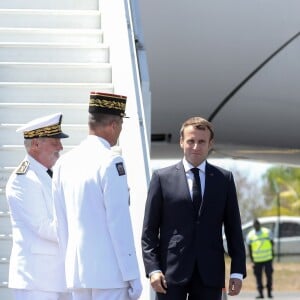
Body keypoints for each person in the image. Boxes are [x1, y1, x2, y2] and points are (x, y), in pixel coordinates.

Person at [141, 116, 247, 300]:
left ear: (210, 143)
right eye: (191, 141)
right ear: (181, 141)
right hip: (170, 274)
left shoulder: (224, 180)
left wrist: (237, 271)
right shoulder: (161, 178)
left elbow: (234, 230)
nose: (196, 147)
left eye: (201, 141)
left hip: (210, 273)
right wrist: (153, 269)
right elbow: (149, 231)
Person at [52, 92, 142, 300]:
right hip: (111, 275)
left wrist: (70, 268)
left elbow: (61, 224)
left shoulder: (64, 163)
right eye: (120, 125)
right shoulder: (111, 161)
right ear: (113, 125)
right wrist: (132, 275)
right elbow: (119, 223)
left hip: (78, 274)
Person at [5, 113, 71, 300]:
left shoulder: (51, 174)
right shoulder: (23, 179)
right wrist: (81, 228)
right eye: (54, 141)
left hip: (56, 278)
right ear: (35, 144)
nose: (61, 147)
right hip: (36, 281)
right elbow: (43, 226)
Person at [246, 219, 274, 299]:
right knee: (258, 277)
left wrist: (272, 255)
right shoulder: (250, 235)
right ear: (253, 226)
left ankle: (269, 292)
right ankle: (261, 294)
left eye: (257, 224)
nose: (256, 226)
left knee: (269, 276)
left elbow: (272, 243)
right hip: (257, 260)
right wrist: (252, 260)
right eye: (255, 225)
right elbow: (249, 248)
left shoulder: (267, 232)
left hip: (268, 258)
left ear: (259, 225)